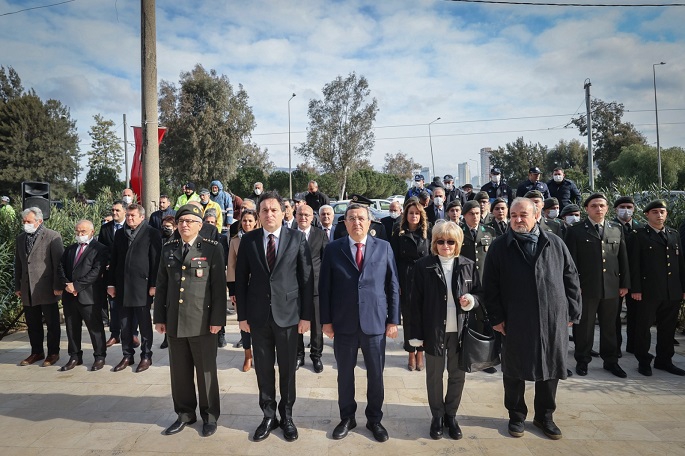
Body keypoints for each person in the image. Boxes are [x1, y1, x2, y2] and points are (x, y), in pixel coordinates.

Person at [484, 198, 581, 440]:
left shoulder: (555, 243)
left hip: (552, 318)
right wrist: (496, 317)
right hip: (515, 319)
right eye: (513, 215)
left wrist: (572, 310)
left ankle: (544, 416)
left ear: (537, 216)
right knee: (514, 369)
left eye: (523, 215)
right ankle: (516, 416)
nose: (517, 219)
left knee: (550, 368)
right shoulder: (499, 247)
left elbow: (571, 277)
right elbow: (490, 287)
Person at [235, 191, 314, 442]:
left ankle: (287, 416)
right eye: (264, 210)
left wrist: (306, 317)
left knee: (288, 370)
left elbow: (306, 280)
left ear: (283, 212)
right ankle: (268, 415)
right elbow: (240, 281)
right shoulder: (249, 241)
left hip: (289, 316)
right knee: (263, 370)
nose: (269, 214)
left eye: (274, 210)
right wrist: (242, 316)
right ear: (258, 214)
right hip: (258, 317)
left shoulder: (297, 238)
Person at [319, 202, 400, 442]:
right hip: (343, 323)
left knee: (376, 374)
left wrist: (393, 320)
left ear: (369, 221)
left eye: (361, 218)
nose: (357, 222)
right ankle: (347, 417)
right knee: (344, 374)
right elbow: (325, 288)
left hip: (374, 323)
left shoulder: (384, 247)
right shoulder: (334, 249)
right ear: (344, 223)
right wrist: (326, 321)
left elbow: (393, 286)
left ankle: (374, 419)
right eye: (351, 218)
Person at [154, 204, 227, 438]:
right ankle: (185, 414)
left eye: (189, 221)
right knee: (180, 373)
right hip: (175, 321)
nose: (184, 224)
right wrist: (159, 318)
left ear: (200, 224)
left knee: (206, 372)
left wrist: (218, 320)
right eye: (181, 221)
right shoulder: (168, 248)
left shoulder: (212, 248)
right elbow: (162, 285)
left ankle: (210, 416)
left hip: (203, 321)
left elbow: (218, 288)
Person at [410, 221, 482, 440]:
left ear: (458, 243)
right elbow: (415, 303)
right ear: (434, 243)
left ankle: (451, 415)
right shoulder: (423, 266)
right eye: (440, 241)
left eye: (450, 241)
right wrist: (415, 335)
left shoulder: (468, 265)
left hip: (460, 331)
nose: (445, 245)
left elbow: (480, 293)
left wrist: (471, 300)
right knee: (434, 376)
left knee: (457, 375)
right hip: (434, 330)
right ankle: (437, 417)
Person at [564, 193, 630, 378]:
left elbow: (622, 259)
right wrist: (574, 286)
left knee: (610, 326)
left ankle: (611, 361)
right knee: (584, 327)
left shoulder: (616, 229)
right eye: (594, 206)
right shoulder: (576, 230)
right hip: (586, 288)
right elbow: (570, 263)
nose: (598, 209)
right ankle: (582, 360)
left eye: (602, 205)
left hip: (611, 287)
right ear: (587, 209)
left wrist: (625, 283)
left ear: (608, 208)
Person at [628, 200, 685, 376]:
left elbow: (680, 264)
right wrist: (635, 289)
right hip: (648, 290)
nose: (659, 215)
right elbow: (634, 265)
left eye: (662, 211)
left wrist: (682, 288)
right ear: (647, 214)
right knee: (643, 327)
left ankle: (664, 360)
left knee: (668, 328)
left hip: (672, 291)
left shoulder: (674, 234)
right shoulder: (638, 235)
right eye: (655, 212)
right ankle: (643, 360)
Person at [108, 203, 162, 373]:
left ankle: (146, 355)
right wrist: (111, 284)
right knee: (124, 323)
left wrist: (154, 284)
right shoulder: (120, 234)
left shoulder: (151, 233)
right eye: (128, 215)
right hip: (123, 286)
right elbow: (114, 260)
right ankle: (127, 355)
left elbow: (156, 260)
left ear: (141, 217)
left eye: (133, 215)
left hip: (142, 286)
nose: (130, 218)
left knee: (144, 323)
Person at [14, 207, 64, 367]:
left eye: (28, 221)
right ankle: (36, 352)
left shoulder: (52, 236)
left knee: (52, 323)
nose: (25, 224)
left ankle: (53, 353)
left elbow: (58, 264)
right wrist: (17, 285)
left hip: (47, 288)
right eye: (24, 221)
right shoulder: (21, 238)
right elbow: (18, 264)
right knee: (33, 323)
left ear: (39, 221)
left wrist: (58, 285)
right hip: (27, 289)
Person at [58, 220, 109, 371]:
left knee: (95, 328)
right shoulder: (70, 249)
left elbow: (96, 271)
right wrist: (67, 284)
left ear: (92, 232)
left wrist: (77, 286)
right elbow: (60, 267)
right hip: (70, 295)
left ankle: (99, 356)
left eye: (83, 232)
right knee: (72, 328)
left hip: (89, 296)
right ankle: (75, 356)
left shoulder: (100, 249)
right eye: (78, 232)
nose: (80, 235)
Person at [390, 199, 431, 371]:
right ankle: (410, 352)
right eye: (410, 213)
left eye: (416, 213)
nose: (413, 216)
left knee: (422, 317)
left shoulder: (427, 232)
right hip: (405, 276)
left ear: (421, 215)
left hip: (424, 277)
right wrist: (396, 282)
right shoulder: (399, 233)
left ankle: (420, 352)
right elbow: (393, 259)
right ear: (405, 215)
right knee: (408, 318)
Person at [294, 204, 328, 373]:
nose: (303, 217)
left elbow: (327, 261)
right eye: (300, 214)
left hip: (315, 287)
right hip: (295, 288)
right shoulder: (290, 235)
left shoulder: (320, 235)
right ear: (295, 216)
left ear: (313, 217)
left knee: (316, 325)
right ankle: (299, 355)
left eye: (307, 214)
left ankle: (316, 356)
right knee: (296, 323)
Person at [227, 207, 260, 371]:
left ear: (256, 222)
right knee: (244, 322)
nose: (247, 223)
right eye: (244, 221)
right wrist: (232, 291)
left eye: (250, 221)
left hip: (260, 288)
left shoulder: (262, 238)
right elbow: (231, 266)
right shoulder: (235, 241)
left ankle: (261, 354)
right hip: (242, 288)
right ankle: (248, 354)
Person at [613, 196, 643, 354]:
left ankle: (633, 345)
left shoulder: (640, 227)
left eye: (629, 206)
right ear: (616, 209)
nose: (626, 210)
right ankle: (615, 347)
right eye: (622, 206)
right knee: (614, 315)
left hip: (636, 277)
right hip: (616, 278)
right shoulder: (611, 226)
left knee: (636, 315)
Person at [203, 209, 231, 345]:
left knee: (219, 305)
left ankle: (221, 334)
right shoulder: (200, 238)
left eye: (212, 222)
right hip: (203, 276)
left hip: (218, 274)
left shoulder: (222, 238)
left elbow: (225, 258)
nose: (210, 224)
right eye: (207, 222)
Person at [159, 215, 177, 350]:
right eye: (163, 226)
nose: (165, 229)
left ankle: (168, 338)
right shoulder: (160, 240)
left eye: (168, 227)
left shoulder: (176, 241)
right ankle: (166, 337)